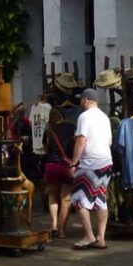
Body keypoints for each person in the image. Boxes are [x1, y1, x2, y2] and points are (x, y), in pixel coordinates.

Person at [70, 88, 113, 250]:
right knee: (101, 200)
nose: (80, 102)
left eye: (81, 99)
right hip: (106, 162)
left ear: (86, 100)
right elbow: (109, 141)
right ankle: (101, 238)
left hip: (90, 164)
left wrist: (74, 163)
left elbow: (80, 141)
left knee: (79, 200)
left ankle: (89, 235)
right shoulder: (104, 117)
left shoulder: (84, 117)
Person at [43, 108, 74, 238]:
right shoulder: (70, 128)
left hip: (51, 166)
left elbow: (45, 150)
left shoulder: (48, 131)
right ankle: (62, 231)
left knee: (53, 196)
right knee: (65, 199)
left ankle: (54, 225)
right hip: (65, 166)